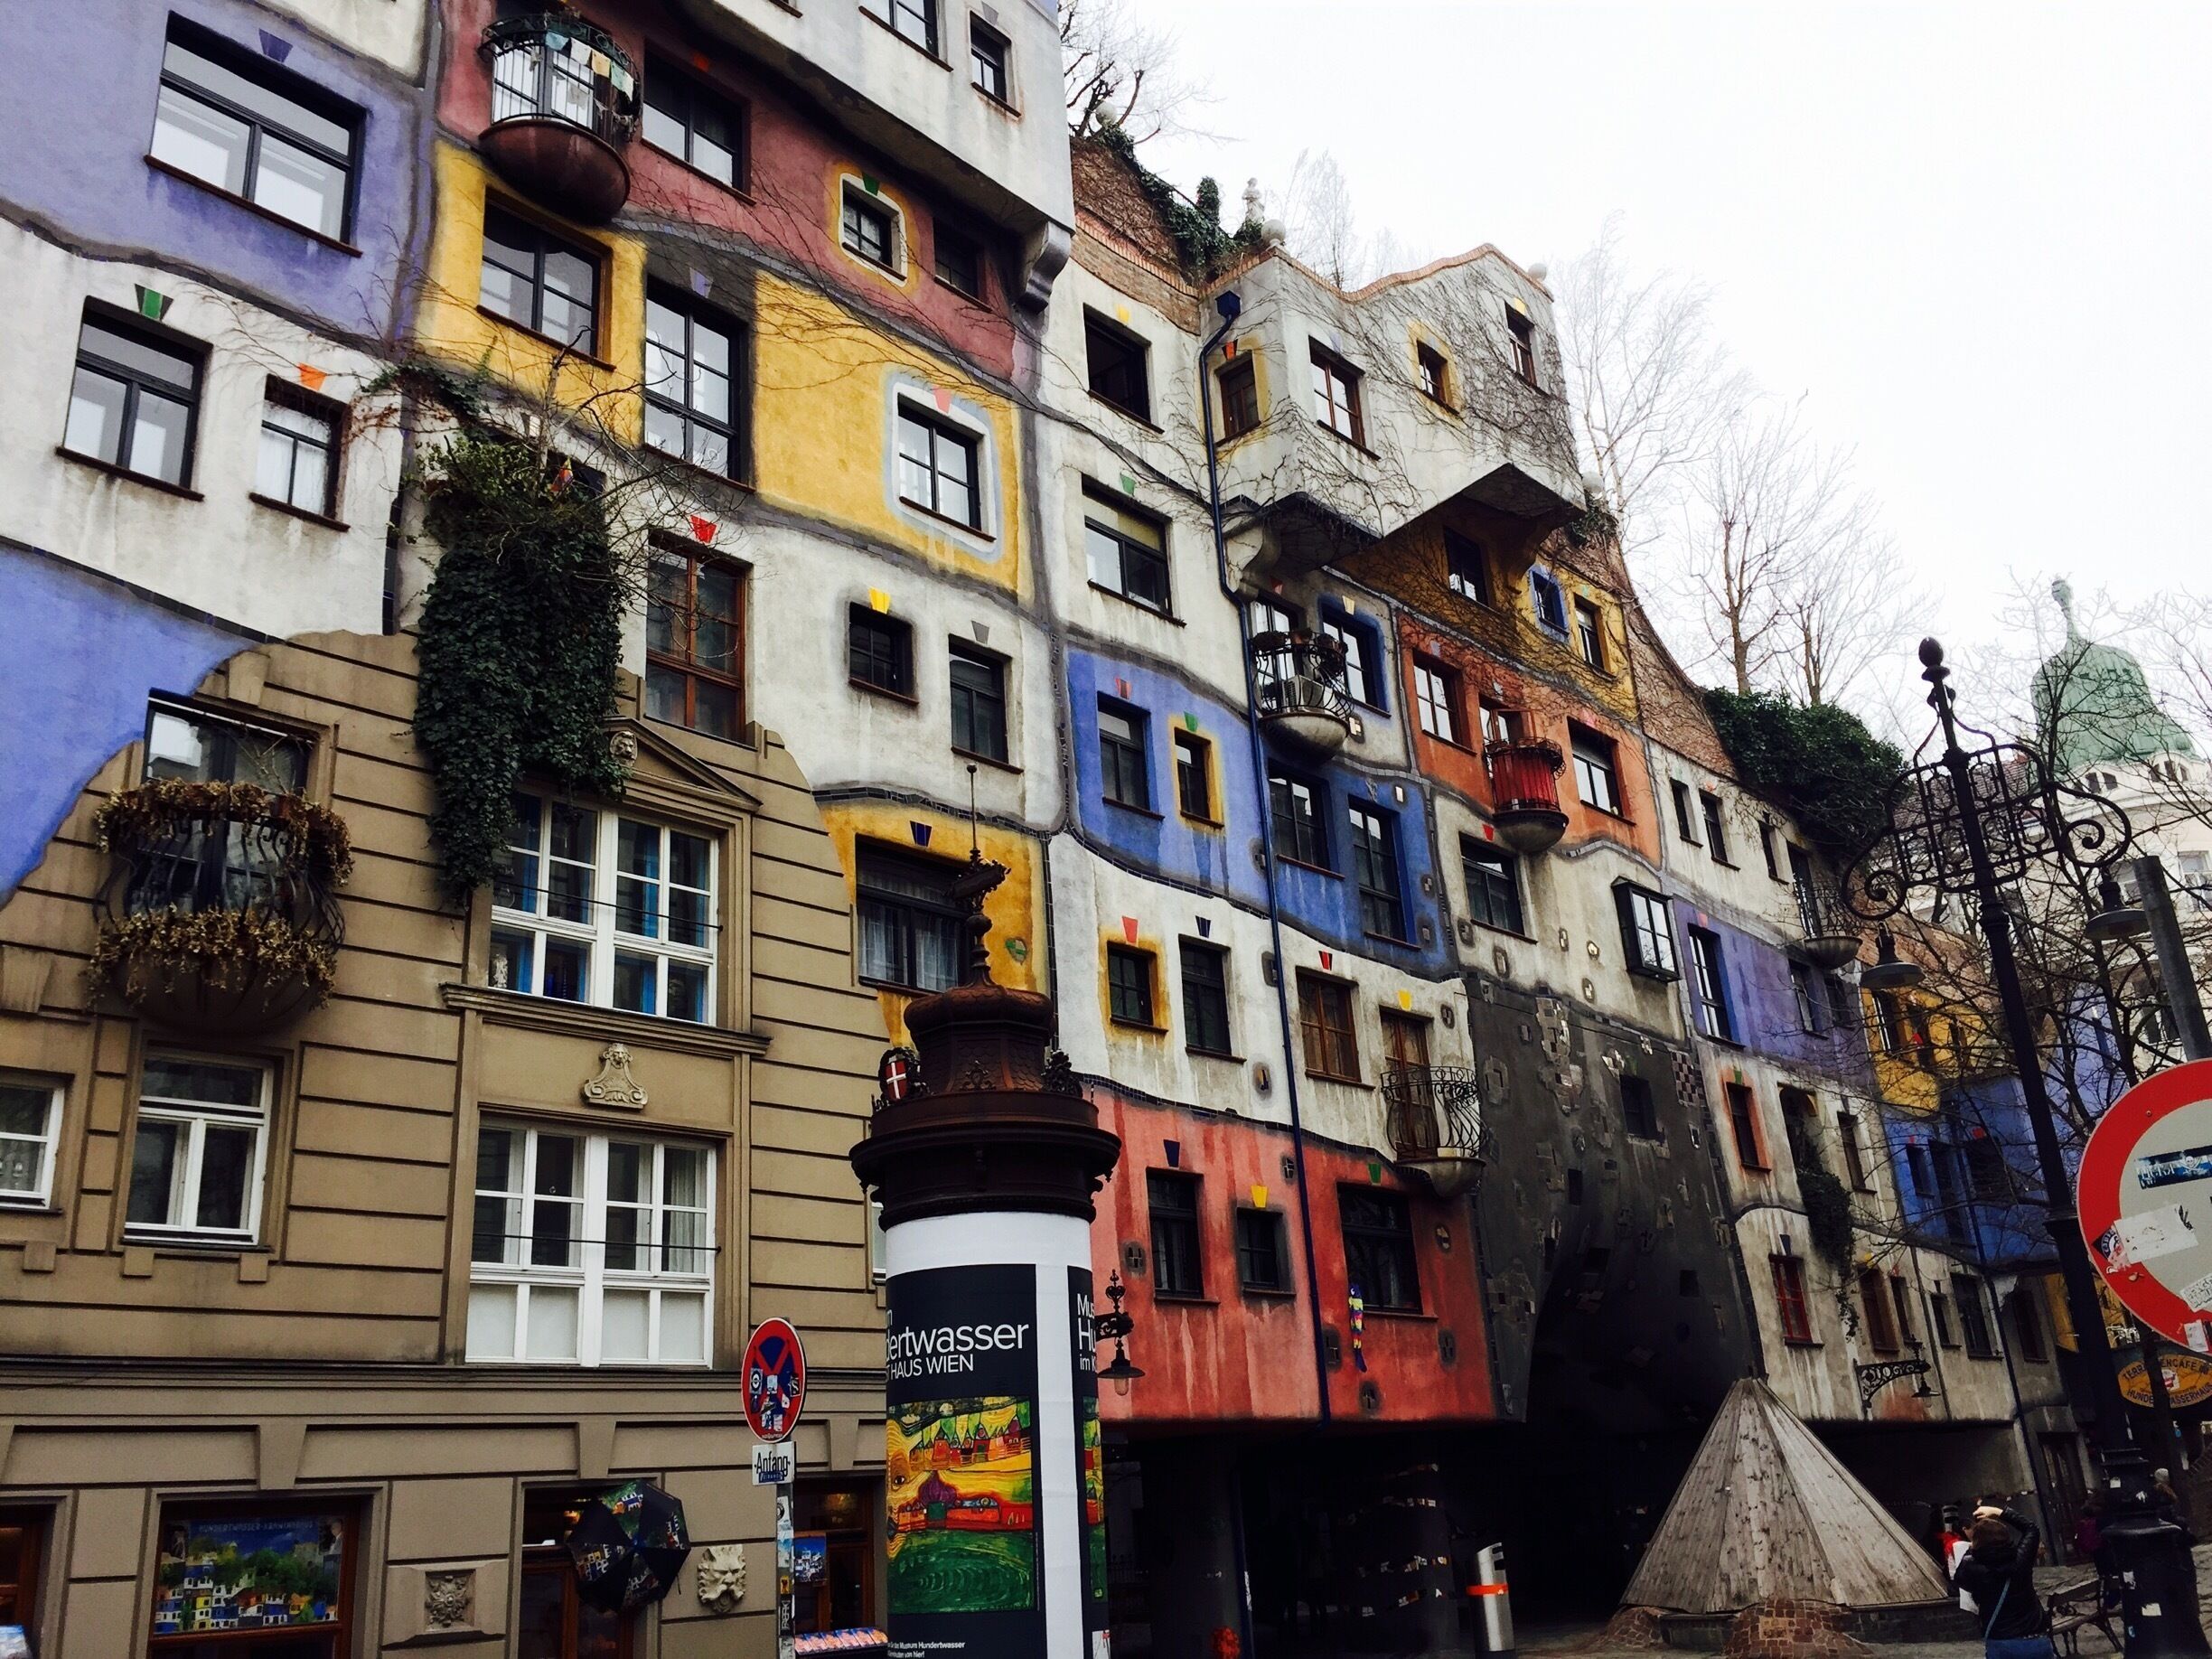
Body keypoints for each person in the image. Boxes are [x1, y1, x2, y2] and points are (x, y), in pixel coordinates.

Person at [1951, 1505, 2052, 1659]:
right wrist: (1999, 1512)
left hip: (2001, 1643)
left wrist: (1972, 1548)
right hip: (2034, 1640)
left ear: (1976, 1542)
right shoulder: (2021, 1560)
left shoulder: (1973, 1569)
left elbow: (1959, 1577)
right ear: (2006, 1538)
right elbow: (2031, 1528)